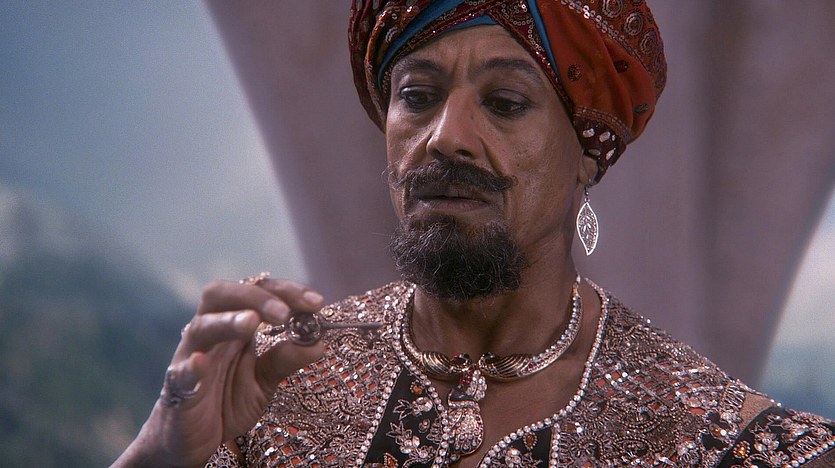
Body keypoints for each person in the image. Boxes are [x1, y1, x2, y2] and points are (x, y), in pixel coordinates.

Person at [115, 1, 835, 466]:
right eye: (417, 96)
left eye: (505, 102)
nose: (445, 137)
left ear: (587, 151)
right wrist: (161, 453)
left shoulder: (716, 440)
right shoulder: (270, 389)